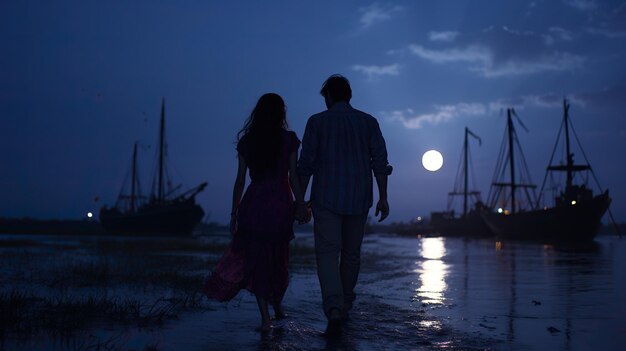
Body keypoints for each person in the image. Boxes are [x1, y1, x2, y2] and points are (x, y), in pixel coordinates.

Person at [204, 93, 309, 332]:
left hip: (254, 204)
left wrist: (233, 213)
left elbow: (240, 181)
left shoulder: (248, 142)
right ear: (281, 113)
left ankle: (266, 317)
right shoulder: (289, 140)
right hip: (280, 203)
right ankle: (277, 307)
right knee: (278, 259)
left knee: (259, 260)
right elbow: (293, 176)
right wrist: (301, 203)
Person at [298, 74, 391, 336]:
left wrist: (299, 201)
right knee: (351, 254)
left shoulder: (317, 122)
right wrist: (384, 197)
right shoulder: (368, 122)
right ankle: (345, 303)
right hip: (359, 197)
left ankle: (334, 308)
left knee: (327, 253)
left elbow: (306, 165)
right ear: (348, 95)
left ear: (328, 96)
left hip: (326, 198)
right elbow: (380, 162)